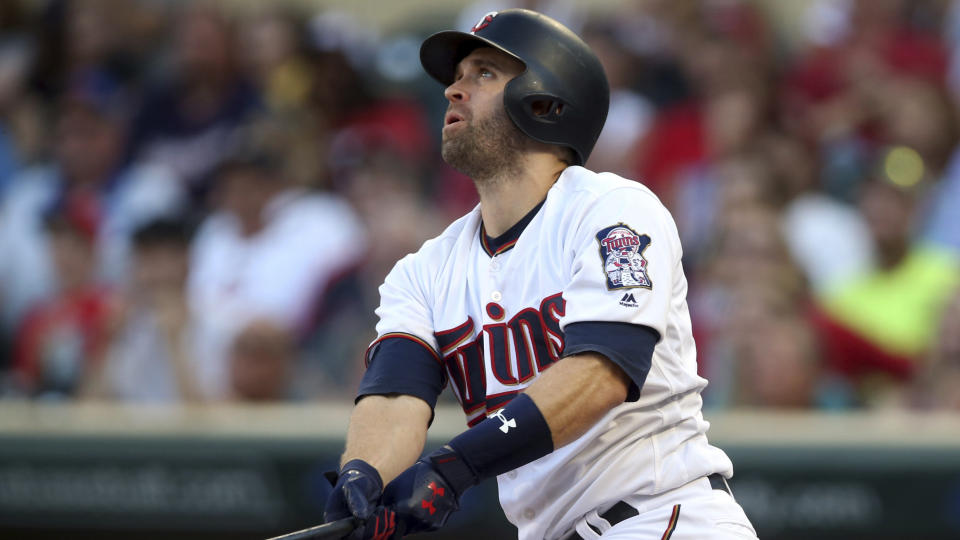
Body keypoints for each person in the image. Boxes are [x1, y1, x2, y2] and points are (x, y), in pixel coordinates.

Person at [323, 9, 757, 540]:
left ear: (547, 101)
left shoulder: (612, 209)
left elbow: (601, 373)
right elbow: (395, 393)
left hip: (659, 514)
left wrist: (452, 467)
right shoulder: (424, 270)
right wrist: (362, 475)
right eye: (456, 78)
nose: (453, 92)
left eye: (483, 73)